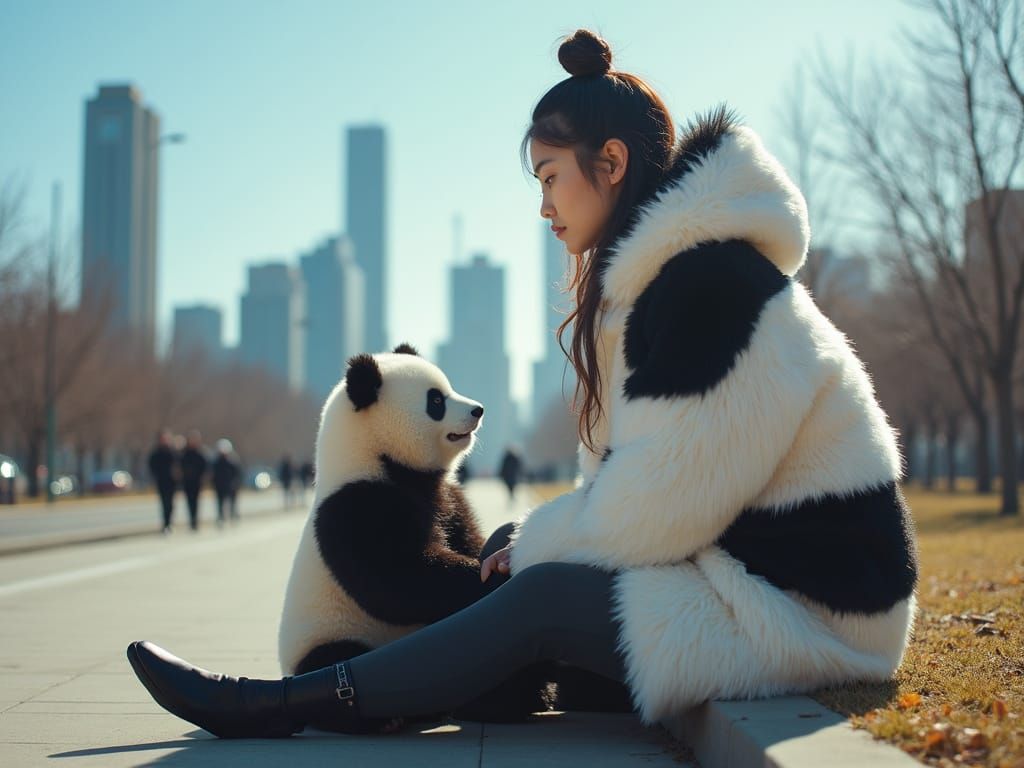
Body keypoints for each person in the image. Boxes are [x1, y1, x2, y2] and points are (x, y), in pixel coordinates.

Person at [125, 29, 918, 738]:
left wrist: (540, 547)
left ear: (611, 164)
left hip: (806, 618)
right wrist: (530, 542)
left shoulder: (713, 283)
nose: (543, 207)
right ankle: (385, 692)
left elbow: (661, 507)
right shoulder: (669, 282)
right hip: (744, 584)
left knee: (539, 598)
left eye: (550, 177)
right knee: (515, 559)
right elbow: (647, 488)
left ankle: (287, 704)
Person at [147, 430, 178, 534]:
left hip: (172, 482)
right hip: (161, 481)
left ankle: (169, 523)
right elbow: (151, 465)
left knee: (170, 504)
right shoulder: (156, 453)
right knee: (164, 503)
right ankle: (165, 524)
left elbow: (178, 464)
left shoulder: (172, 451)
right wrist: (155, 475)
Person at [179, 430, 208, 531]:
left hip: (197, 482)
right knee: (189, 501)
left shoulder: (200, 452)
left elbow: (205, 467)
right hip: (187, 481)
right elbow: (179, 465)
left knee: (196, 502)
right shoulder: (184, 453)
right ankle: (191, 520)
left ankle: (195, 521)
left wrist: (203, 477)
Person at [211, 439, 241, 525]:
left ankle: (233, 516)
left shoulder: (233, 462)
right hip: (220, 485)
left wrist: (235, 483)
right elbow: (213, 474)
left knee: (232, 502)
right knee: (220, 503)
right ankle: (221, 518)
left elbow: (237, 474)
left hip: (231, 485)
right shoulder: (216, 462)